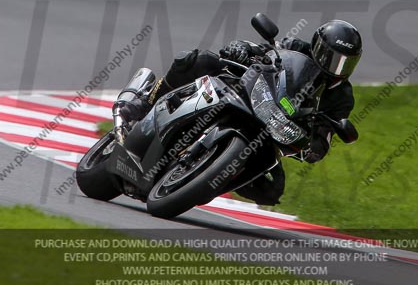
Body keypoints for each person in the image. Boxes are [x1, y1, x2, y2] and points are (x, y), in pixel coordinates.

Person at [113, 19, 362, 206]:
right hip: (248, 92)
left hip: (272, 133)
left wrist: (315, 147)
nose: (335, 67)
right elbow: (267, 50)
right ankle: (144, 104)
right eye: (331, 57)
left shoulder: (342, 97)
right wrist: (241, 48)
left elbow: (326, 136)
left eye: (344, 63)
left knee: (271, 191)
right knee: (195, 60)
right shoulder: (297, 48)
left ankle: (209, 177)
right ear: (318, 47)